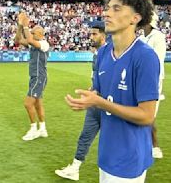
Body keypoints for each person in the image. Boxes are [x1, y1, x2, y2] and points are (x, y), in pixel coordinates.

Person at [65, 0, 160, 183]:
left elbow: (146, 116)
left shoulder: (145, 57)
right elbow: (99, 94)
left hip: (129, 160)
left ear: (136, 18)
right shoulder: (102, 53)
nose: (107, 13)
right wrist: (89, 99)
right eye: (107, 8)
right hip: (107, 154)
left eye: (116, 9)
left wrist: (99, 103)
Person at [55, 21, 106, 181]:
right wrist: (90, 91)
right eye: (91, 33)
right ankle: (75, 168)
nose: (91, 37)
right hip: (95, 103)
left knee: (112, 142)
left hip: (106, 105)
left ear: (104, 35)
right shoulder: (98, 53)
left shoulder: (108, 53)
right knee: (85, 136)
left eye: (94, 34)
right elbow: (97, 78)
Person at [14, 12, 50, 141]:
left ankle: (33, 129)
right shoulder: (34, 43)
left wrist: (26, 26)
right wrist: (20, 25)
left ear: (41, 34)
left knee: (28, 103)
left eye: (34, 33)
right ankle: (42, 129)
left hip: (39, 77)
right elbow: (18, 40)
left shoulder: (44, 44)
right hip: (35, 77)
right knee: (38, 104)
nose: (32, 35)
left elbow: (28, 39)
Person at [139, 13, 166, 159]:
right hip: (141, 79)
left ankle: (155, 146)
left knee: (148, 116)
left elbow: (157, 60)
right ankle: (145, 144)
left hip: (153, 80)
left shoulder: (158, 37)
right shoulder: (142, 37)